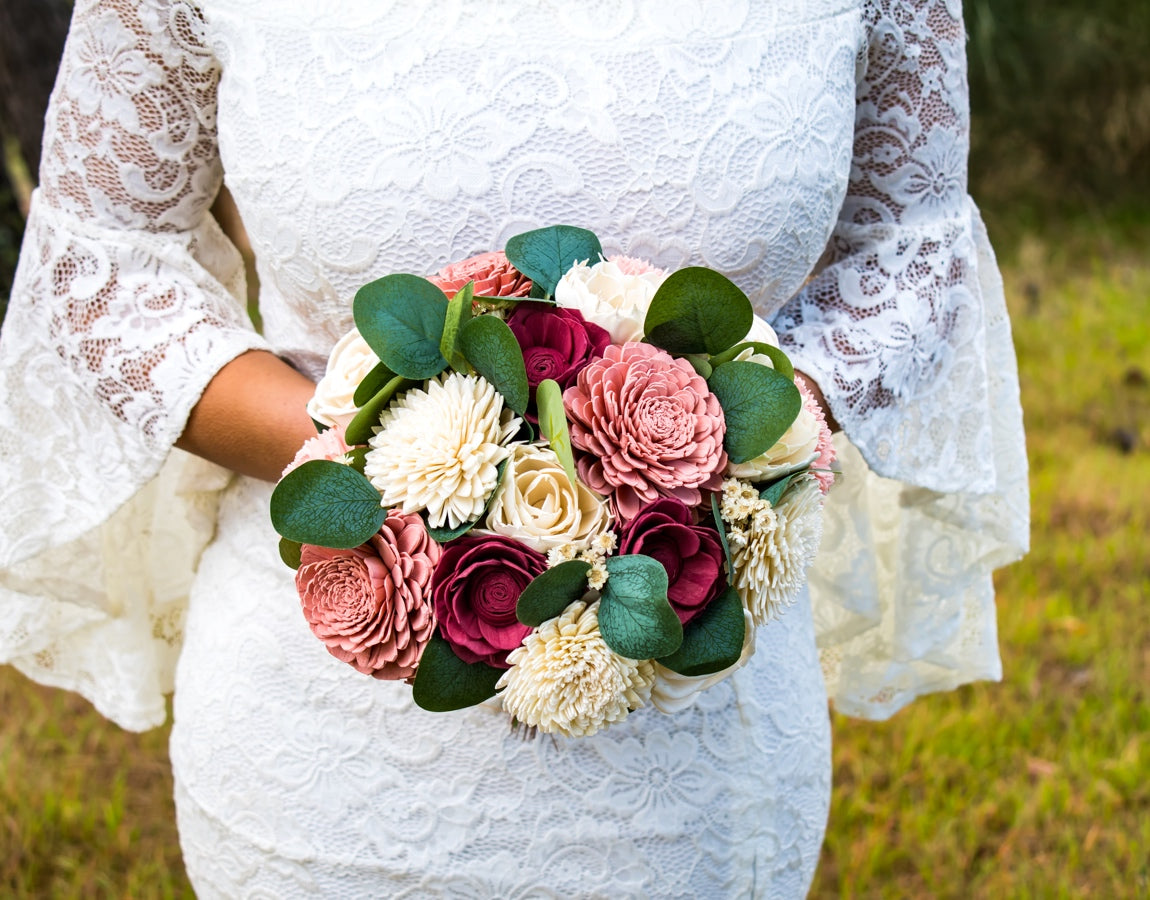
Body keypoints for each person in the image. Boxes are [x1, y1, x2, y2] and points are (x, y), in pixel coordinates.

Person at [0, 0, 1029, 896]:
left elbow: (908, 242)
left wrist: (721, 438)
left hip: (701, 747)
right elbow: (104, 259)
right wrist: (376, 455)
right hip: (327, 748)